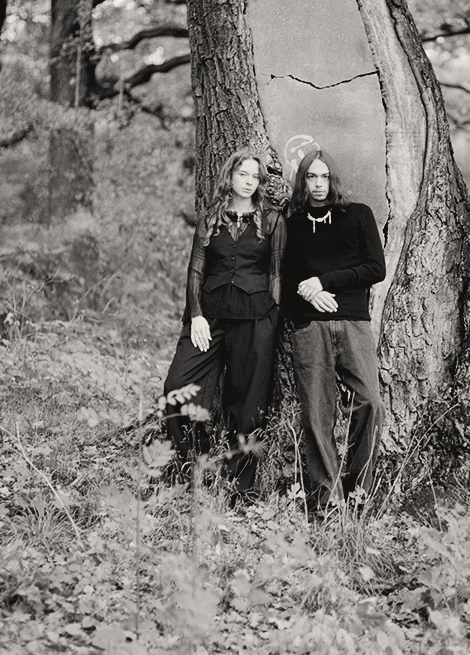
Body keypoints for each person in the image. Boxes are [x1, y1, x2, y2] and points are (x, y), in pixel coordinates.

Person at [161, 149, 285, 502]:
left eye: (254, 177)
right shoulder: (211, 218)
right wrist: (196, 314)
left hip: (255, 318)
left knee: (247, 403)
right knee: (177, 386)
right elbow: (195, 270)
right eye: (242, 174)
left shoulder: (272, 221)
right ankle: (189, 468)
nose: (248, 181)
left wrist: (270, 319)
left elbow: (276, 274)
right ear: (229, 176)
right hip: (210, 318)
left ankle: (239, 487)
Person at [283, 149, 386, 512]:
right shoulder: (291, 224)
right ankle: (328, 502)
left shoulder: (357, 215)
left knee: (370, 403)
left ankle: (357, 491)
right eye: (311, 177)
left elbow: (376, 268)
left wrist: (322, 281)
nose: (318, 184)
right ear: (303, 181)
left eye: (324, 177)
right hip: (310, 328)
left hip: (354, 323)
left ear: (334, 179)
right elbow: (283, 282)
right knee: (316, 414)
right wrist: (307, 292)